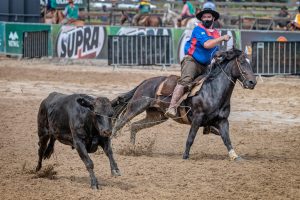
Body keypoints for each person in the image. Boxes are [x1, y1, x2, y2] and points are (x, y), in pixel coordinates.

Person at [165, 8, 231, 118]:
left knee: (211, 84)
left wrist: (223, 55)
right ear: (201, 19)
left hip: (205, 65)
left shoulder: (216, 33)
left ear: (213, 18)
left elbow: (215, 50)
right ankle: (172, 107)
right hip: (192, 60)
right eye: (204, 17)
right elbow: (207, 44)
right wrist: (222, 38)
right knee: (186, 80)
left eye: (208, 17)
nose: (206, 19)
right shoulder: (198, 29)